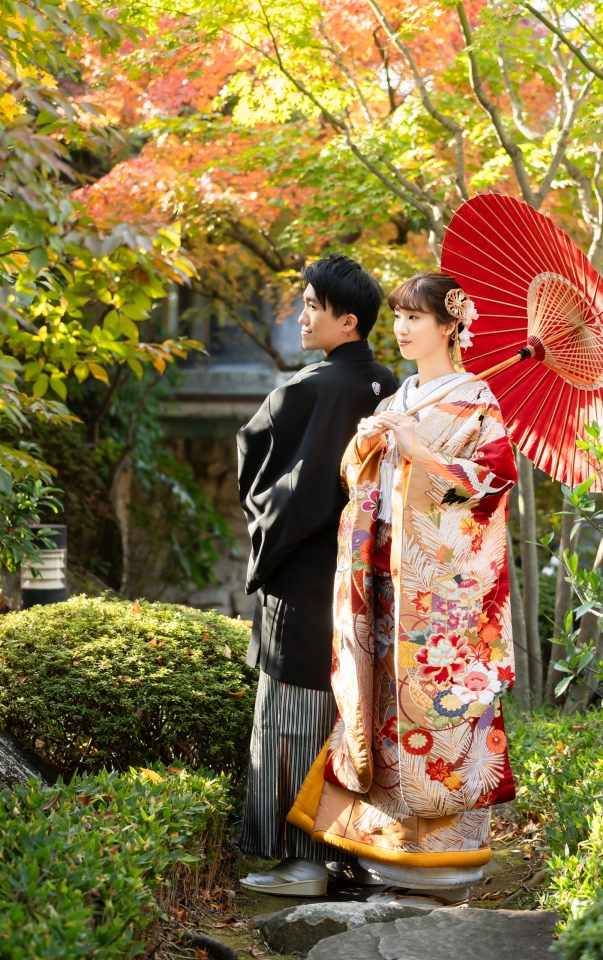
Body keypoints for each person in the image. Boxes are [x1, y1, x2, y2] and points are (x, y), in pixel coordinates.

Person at [288, 271, 518, 904]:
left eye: (415, 318)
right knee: (384, 710)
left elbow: (494, 481)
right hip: (387, 586)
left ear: (449, 325)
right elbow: (357, 485)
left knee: (442, 717)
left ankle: (447, 864)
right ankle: (384, 856)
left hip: (444, 603)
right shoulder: (397, 398)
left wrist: (423, 455)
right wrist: (364, 450)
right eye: (398, 317)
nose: (402, 329)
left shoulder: (477, 400)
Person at [237, 254, 398, 897]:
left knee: (293, 716)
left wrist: (266, 536)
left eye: (312, 306)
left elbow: (275, 484)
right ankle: (361, 856)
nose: (301, 316)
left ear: (347, 321)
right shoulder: (396, 390)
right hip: (374, 588)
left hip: (308, 585)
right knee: (361, 720)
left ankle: (302, 861)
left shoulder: (306, 391)